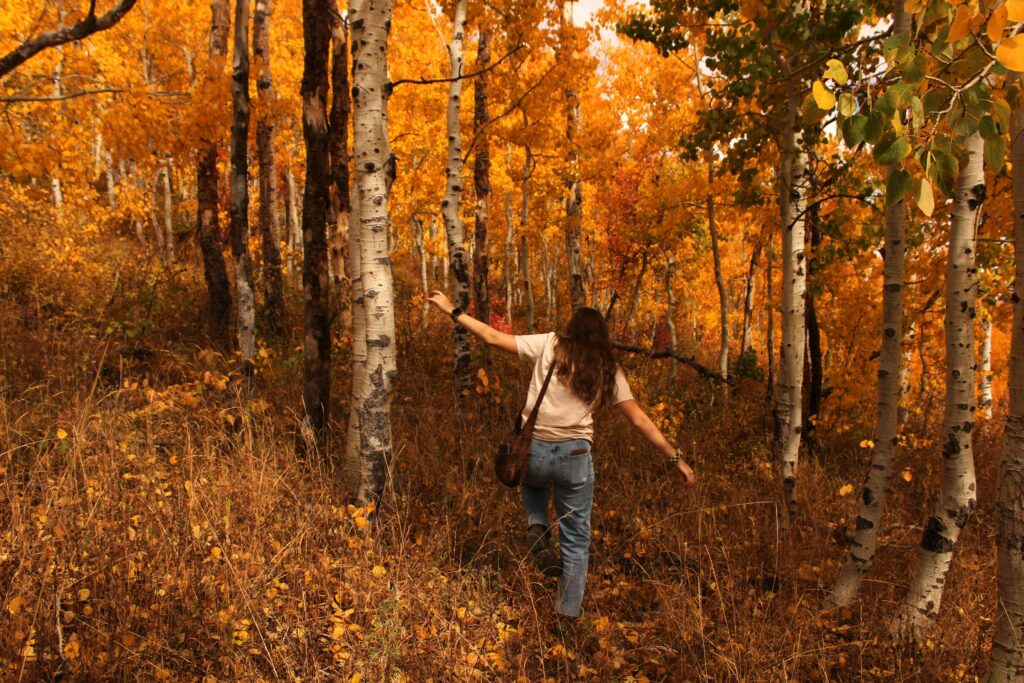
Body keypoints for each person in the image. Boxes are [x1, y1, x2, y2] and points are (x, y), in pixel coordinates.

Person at [427, 291, 696, 619]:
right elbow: (639, 419)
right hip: (575, 457)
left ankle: (537, 526)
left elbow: (492, 337)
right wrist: (675, 458)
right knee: (576, 538)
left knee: (532, 480)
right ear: (602, 336)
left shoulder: (550, 343)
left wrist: (450, 309)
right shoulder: (608, 368)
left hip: (535, 449)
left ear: (572, 328)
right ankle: (566, 615)